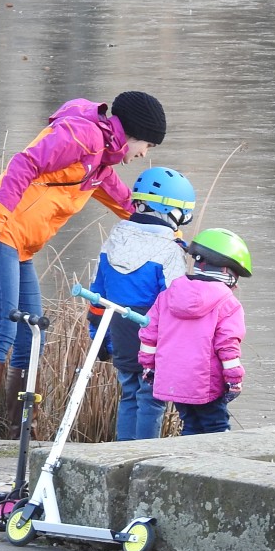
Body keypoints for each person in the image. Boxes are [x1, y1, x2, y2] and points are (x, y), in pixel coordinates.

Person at [0, 91, 168, 439]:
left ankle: (21, 437)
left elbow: (129, 206)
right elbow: (23, 164)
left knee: (33, 335)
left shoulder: (100, 162)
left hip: (18, 243)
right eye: (147, 145)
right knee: (0, 330)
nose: (144, 154)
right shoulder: (82, 136)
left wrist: (173, 237)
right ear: (133, 134)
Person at [87, 166, 195, 441]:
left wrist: (100, 341)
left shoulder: (113, 240)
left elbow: (98, 296)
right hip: (153, 338)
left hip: (121, 336)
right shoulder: (170, 250)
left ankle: (122, 454)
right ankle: (144, 456)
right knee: (152, 400)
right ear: (169, 210)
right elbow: (176, 304)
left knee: (129, 395)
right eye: (184, 212)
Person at [137, 228, 252, 436]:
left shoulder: (167, 295)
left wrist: (148, 366)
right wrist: (234, 379)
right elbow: (227, 346)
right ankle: (213, 467)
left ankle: (185, 463)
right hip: (206, 383)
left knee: (190, 424)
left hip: (173, 380)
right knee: (216, 427)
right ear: (227, 272)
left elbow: (148, 334)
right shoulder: (228, 303)